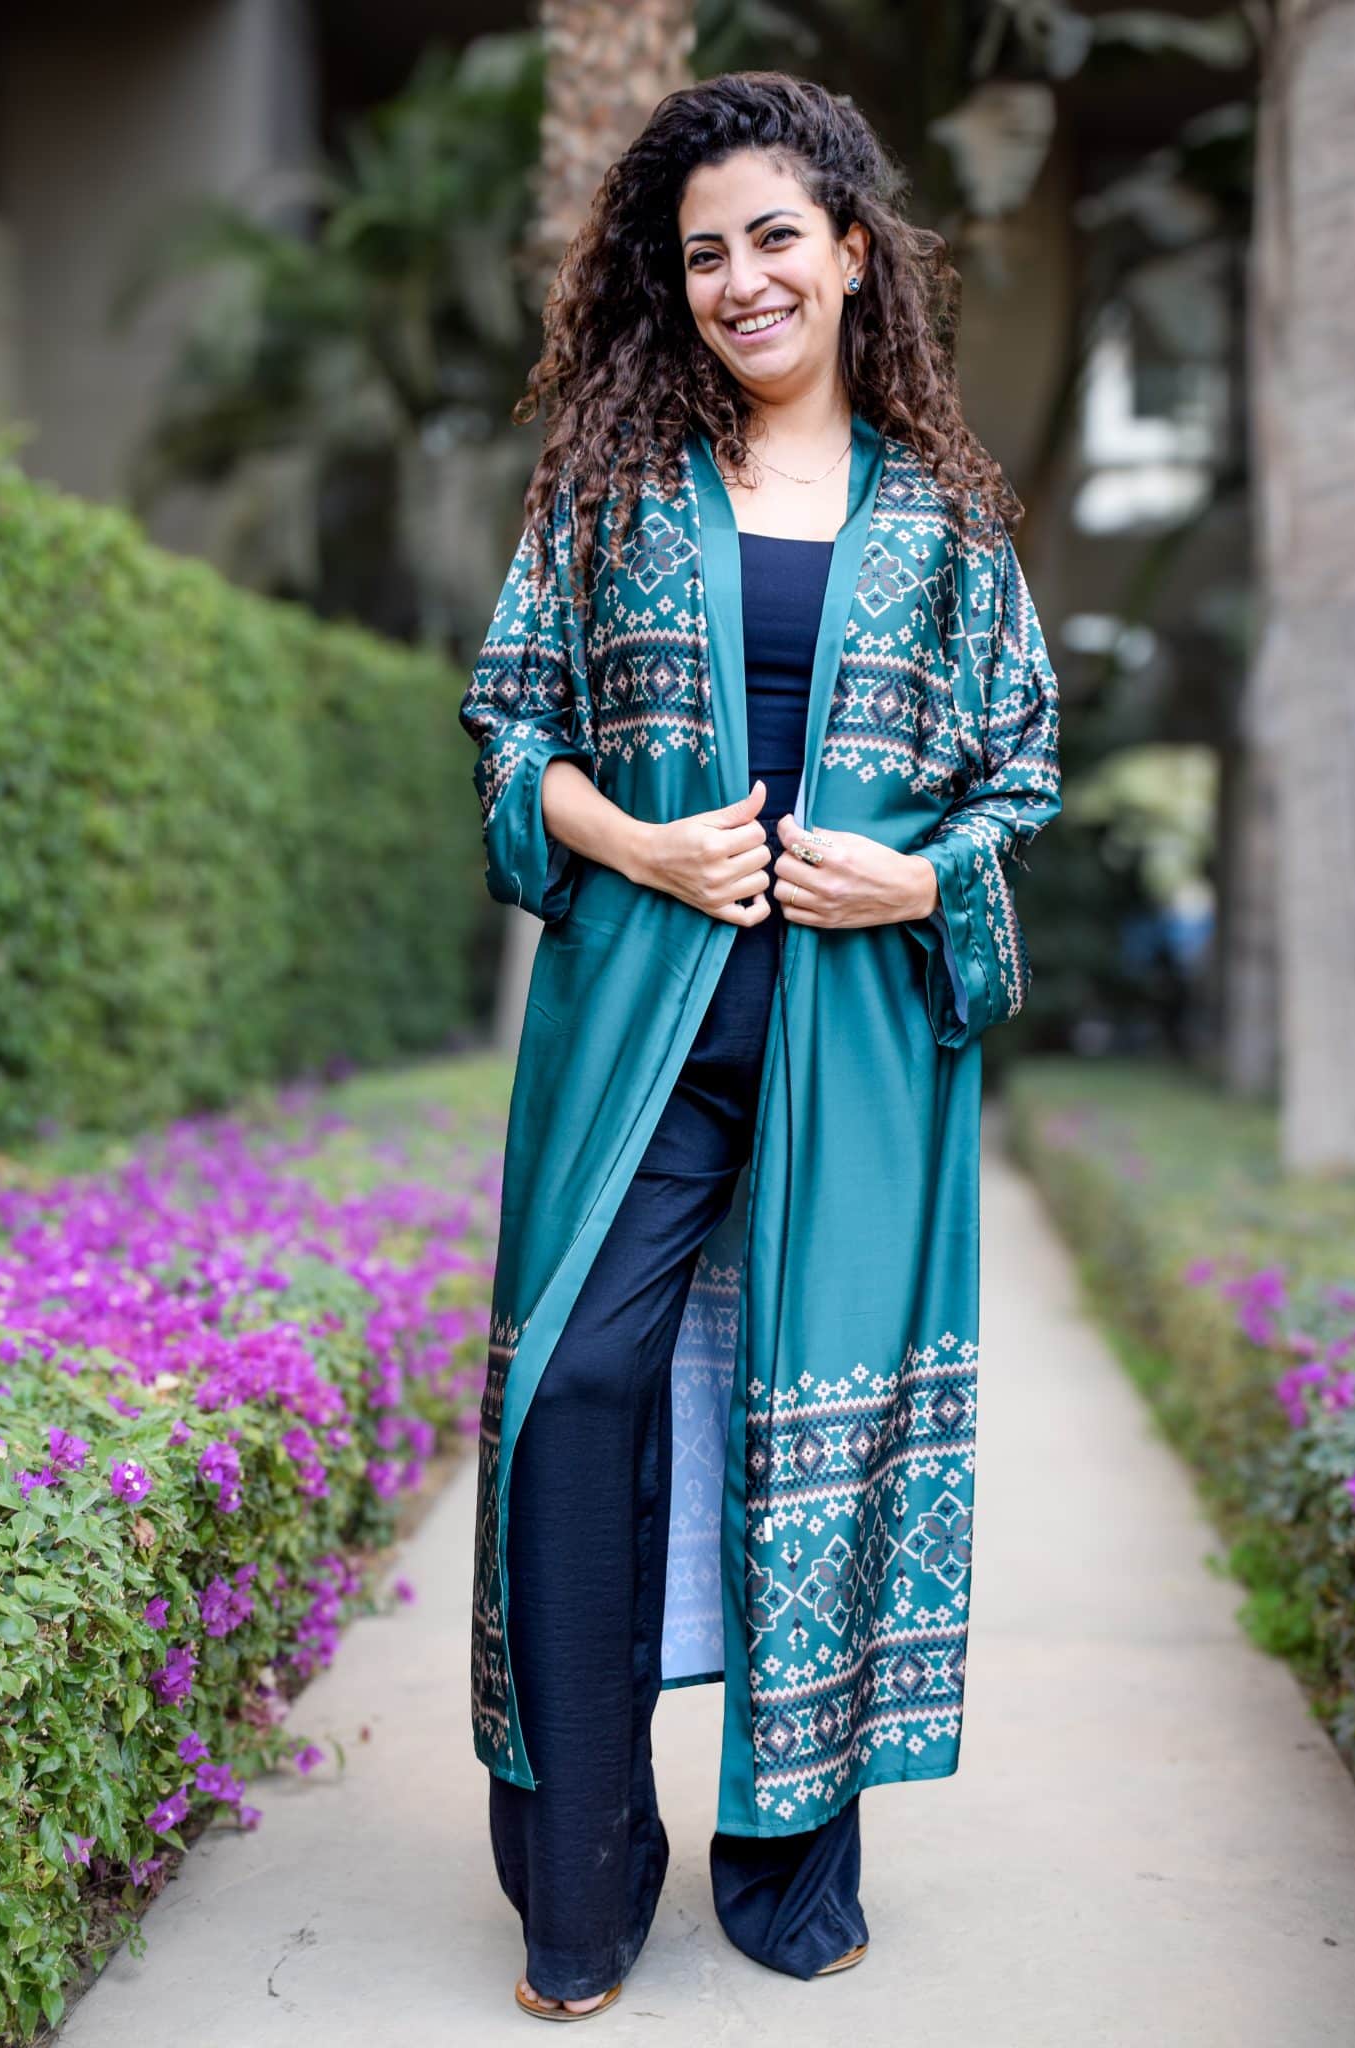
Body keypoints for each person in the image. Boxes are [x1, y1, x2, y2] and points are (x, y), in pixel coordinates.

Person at [457, 70, 1062, 2021]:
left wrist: (920, 879)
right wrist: (634, 841)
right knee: (574, 1393)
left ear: (852, 254)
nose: (741, 280)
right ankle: (580, 1881)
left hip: (858, 1032)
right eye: (703, 251)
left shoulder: (945, 518)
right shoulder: (609, 490)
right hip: (643, 1012)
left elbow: (1018, 770)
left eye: (775, 238)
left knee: (832, 1414)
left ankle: (791, 1865)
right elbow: (509, 727)